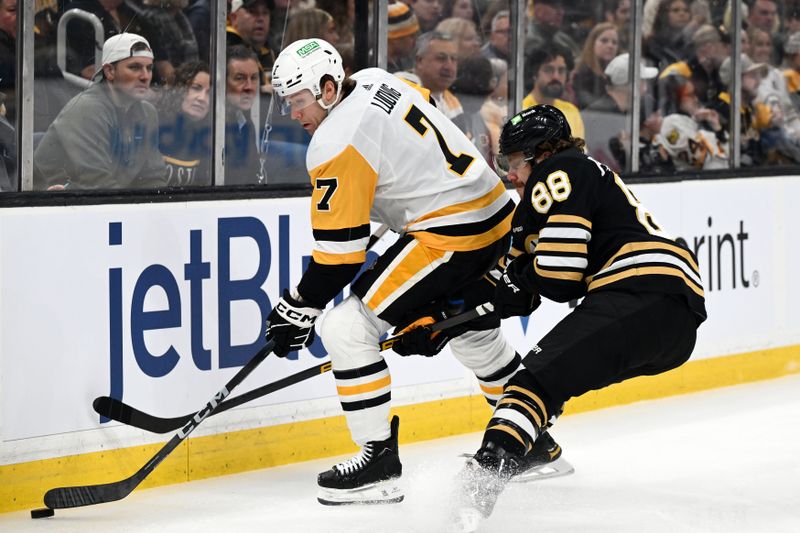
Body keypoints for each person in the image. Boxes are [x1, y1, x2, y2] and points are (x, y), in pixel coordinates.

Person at [267, 38, 521, 506]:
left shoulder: (333, 142)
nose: (293, 114)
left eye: (299, 101)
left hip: (453, 232)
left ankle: (377, 462)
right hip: (497, 214)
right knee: (473, 335)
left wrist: (298, 306)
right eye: (287, 103)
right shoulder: (374, 80)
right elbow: (409, 154)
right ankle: (529, 439)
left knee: (345, 326)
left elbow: (340, 257)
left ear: (327, 88)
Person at [451, 104, 707, 531]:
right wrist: (435, 328)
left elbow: (558, 271)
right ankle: (519, 450)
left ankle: (476, 491)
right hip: (671, 316)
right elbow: (522, 293)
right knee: (551, 380)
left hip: (639, 291)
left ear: (542, 154)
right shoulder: (555, 191)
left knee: (531, 382)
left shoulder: (563, 169)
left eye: (513, 163)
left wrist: (520, 282)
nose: (509, 175)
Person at [32, 33, 167, 190]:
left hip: (104, 203)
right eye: (135, 67)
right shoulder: (86, 109)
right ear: (109, 71)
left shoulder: (148, 113)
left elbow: (153, 177)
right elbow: (97, 183)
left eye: (149, 68)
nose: (145, 76)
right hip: (52, 206)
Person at [156, 61, 212, 186]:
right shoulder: (155, 122)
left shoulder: (212, 136)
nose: (202, 98)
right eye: (196, 88)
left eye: (209, 93)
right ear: (179, 89)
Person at [127, 0, 199, 86]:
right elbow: (164, 64)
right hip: (174, 86)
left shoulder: (180, 16)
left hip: (189, 79)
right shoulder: (155, 18)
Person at [522, 44, 585, 140]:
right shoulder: (522, 110)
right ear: (534, 73)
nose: (556, 76)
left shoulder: (571, 111)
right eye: (548, 70)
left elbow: (580, 152)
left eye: (561, 70)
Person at [224, 45, 263, 185]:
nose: (249, 87)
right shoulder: (212, 125)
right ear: (223, 82)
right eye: (240, 78)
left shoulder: (244, 122)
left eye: (254, 78)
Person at [413, 31, 464, 120]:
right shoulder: (402, 89)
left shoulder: (452, 102)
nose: (449, 66)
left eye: (454, 59)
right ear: (420, 61)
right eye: (441, 58)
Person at [571, 22, 620, 109]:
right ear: (592, 43)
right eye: (604, 41)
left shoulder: (616, 75)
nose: (610, 46)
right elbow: (586, 103)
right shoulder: (583, 73)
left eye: (614, 42)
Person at [387, 1, 421, 73]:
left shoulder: (400, 64)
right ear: (395, 38)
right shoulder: (378, 71)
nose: (415, 42)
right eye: (411, 36)